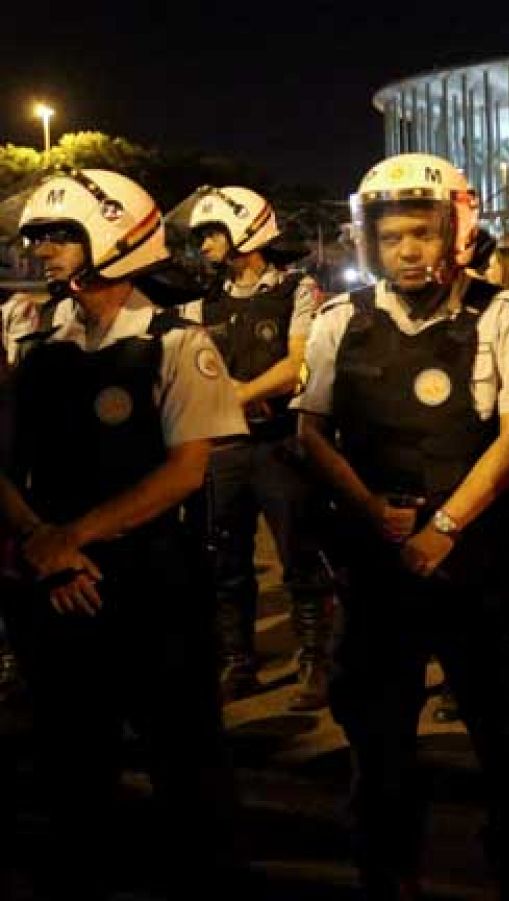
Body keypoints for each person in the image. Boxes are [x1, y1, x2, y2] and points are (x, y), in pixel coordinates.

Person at [294, 152, 509, 898]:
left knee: (506, 733)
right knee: (377, 743)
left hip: (476, 562)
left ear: (457, 232)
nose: (406, 249)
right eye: (392, 236)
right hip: (379, 566)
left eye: (422, 233)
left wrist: (445, 524)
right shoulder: (339, 322)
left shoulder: (501, 314)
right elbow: (311, 431)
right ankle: (388, 868)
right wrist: (375, 514)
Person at [0, 169, 244, 897]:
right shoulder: (37, 345)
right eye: (39, 237)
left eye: (60, 236)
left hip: (150, 581)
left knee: (184, 760)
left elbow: (183, 472)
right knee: (70, 765)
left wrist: (67, 537)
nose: (44, 251)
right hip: (55, 582)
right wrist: (45, 544)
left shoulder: (175, 341)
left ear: (117, 234)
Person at [178, 185, 336, 709]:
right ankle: (237, 662)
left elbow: (297, 366)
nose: (202, 246)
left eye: (211, 234)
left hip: (278, 447)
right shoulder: (203, 300)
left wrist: (235, 396)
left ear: (246, 231)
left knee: (300, 554)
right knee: (225, 561)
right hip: (222, 449)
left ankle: (315, 659)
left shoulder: (298, 289)